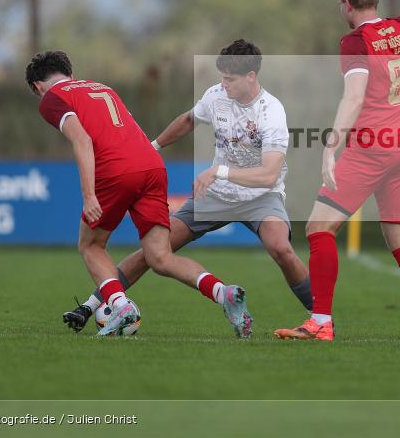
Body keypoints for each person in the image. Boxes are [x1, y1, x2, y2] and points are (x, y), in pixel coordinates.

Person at [62, 40, 312, 333]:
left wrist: (219, 171)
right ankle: (92, 306)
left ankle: (318, 316)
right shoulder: (216, 95)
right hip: (215, 197)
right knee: (155, 252)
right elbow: (188, 120)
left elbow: (269, 176)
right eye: (221, 77)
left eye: (229, 79)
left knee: (281, 248)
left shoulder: (272, 112)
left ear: (251, 77)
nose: (223, 84)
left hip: (260, 196)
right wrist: (152, 146)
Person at [274, 0, 400, 341]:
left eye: (340, 3)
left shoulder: (354, 42)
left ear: (347, 4)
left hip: (371, 150)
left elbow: (354, 96)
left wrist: (331, 146)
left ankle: (321, 323)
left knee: (318, 229)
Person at [27, 51, 252, 338]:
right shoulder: (101, 87)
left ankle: (120, 306)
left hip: (117, 168)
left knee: (91, 245)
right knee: (159, 257)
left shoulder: (51, 98)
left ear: (37, 86)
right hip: (152, 163)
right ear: (69, 73)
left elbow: (82, 141)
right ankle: (224, 293)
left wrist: (88, 195)